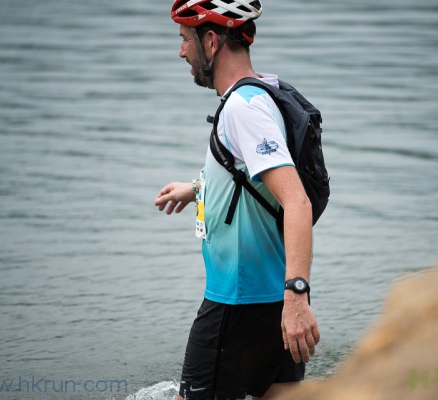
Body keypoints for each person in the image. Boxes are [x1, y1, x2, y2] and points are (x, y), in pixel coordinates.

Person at [154, 1, 320, 399]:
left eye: (184, 39)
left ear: (211, 42)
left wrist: (297, 297)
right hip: (271, 300)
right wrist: (197, 188)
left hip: (238, 302)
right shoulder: (264, 92)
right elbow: (251, 174)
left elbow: (297, 202)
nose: (181, 51)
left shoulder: (243, 110)